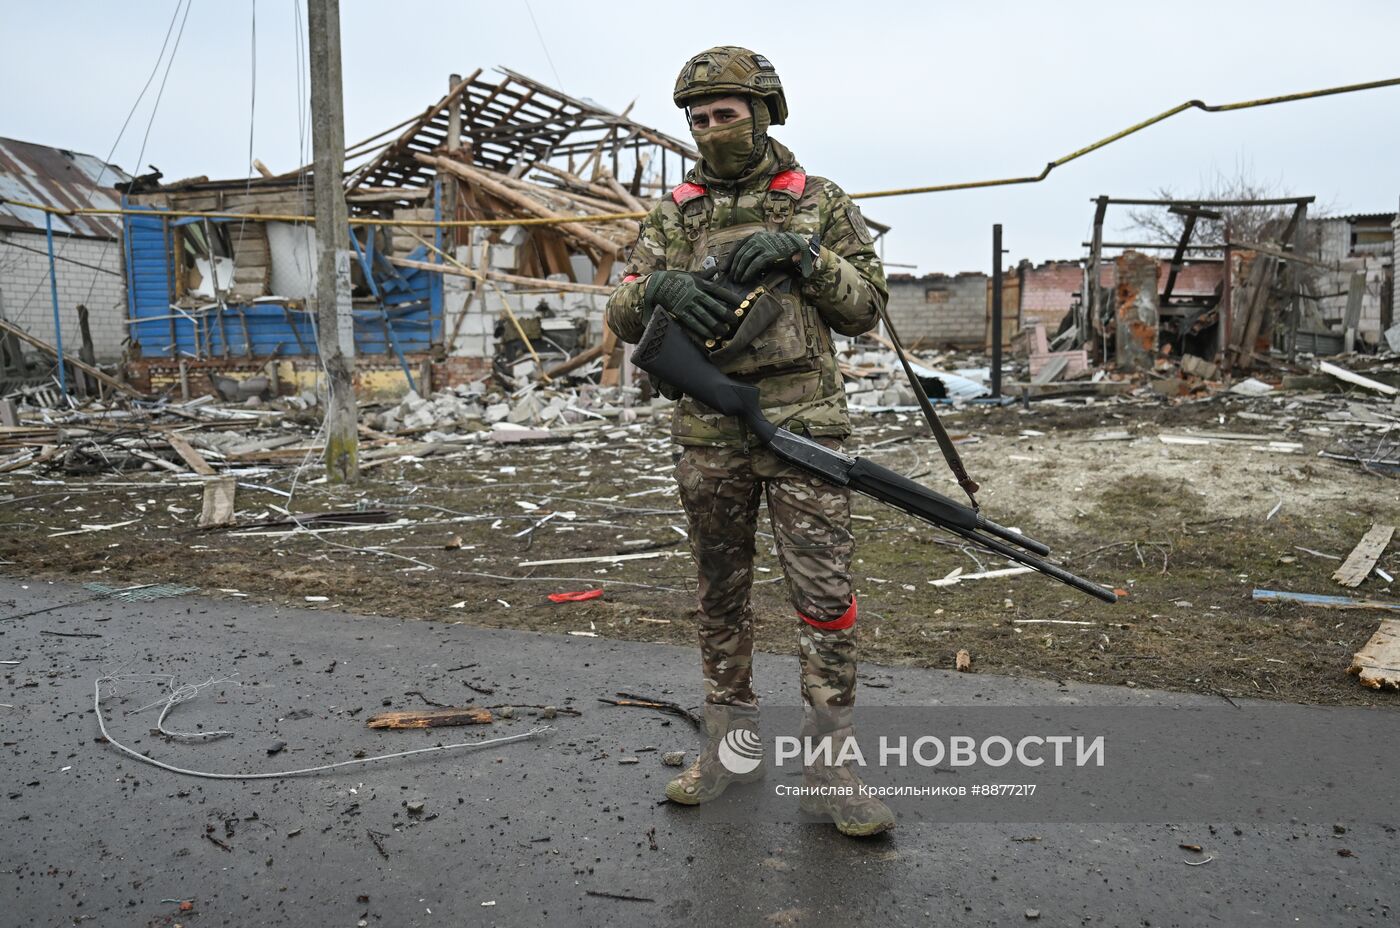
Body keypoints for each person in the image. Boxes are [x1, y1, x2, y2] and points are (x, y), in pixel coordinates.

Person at [604, 46, 894, 837]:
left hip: (805, 429)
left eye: (725, 115)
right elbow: (622, 310)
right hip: (707, 432)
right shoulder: (674, 214)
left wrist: (807, 254)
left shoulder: (821, 201)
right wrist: (653, 287)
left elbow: (867, 306)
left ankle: (833, 768)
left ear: (764, 114)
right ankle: (730, 751)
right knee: (719, 597)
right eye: (697, 120)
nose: (710, 130)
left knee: (825, 601)